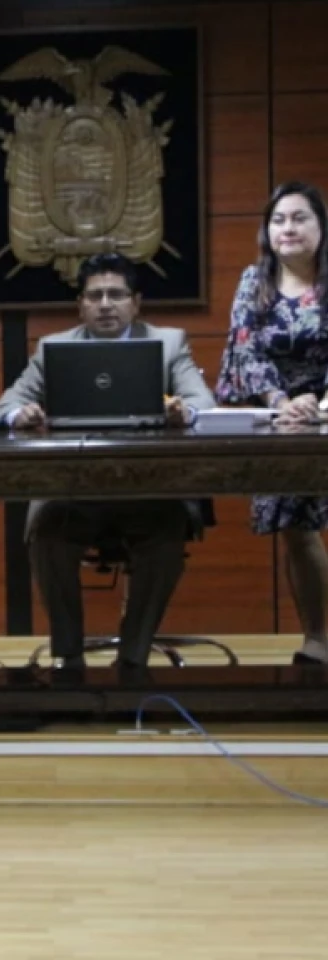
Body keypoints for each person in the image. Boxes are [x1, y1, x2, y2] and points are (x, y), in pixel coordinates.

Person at [0, 252, 216, 677]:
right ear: (81, 305)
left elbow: (204, 402)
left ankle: (133, 656)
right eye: (95, 296)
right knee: (46, 532)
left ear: (136, 302)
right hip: (77, 490)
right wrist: (19, 414)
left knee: (167, 535)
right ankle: (68, 657)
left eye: (116, 294)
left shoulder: (169, 343)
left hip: (148, 488)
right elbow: (5, 404)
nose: (106, 304)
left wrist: (185, 411)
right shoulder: (54, 348)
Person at [216, 181, 328, 666]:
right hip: (281, 419)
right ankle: (318, 639)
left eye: (300, 218)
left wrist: (319, 405)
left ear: (321, 226)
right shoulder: (253, 280)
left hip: (326, 411)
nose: (288, 228)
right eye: (278, 220)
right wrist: (284, 402)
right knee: (297, 527)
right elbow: (246, 349)